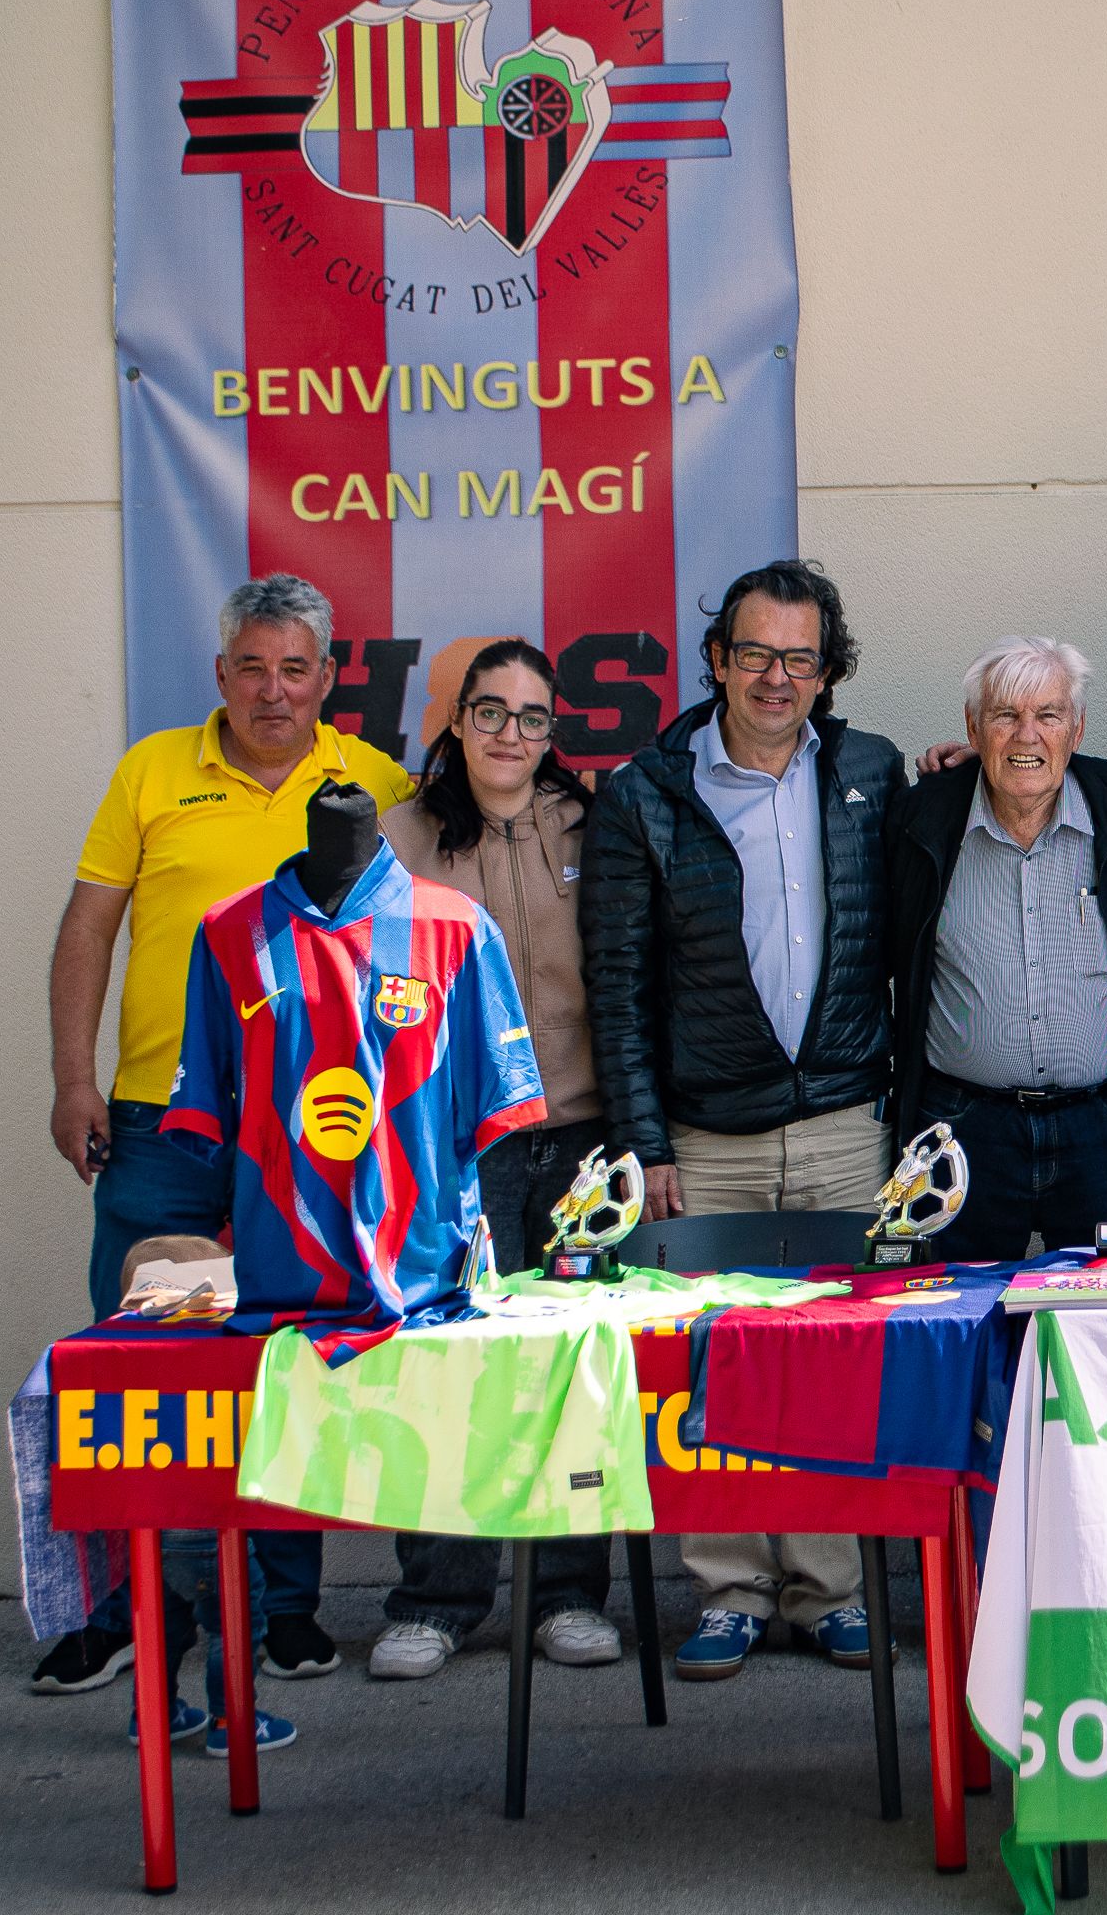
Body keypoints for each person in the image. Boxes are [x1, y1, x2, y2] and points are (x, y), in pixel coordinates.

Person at [43, 574, 410, 1734]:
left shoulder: (370, 784)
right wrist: (70, 1076)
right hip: (162, 1130)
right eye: (252, 666)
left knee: (285, 1370)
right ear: (221, 676)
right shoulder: (151, 772)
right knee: (150, 1376)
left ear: (328, 679)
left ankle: (285, 1610)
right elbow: (89, 923)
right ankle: (148, 1613)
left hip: (305, 1142)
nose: (273, 689)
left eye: (295, 668)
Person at [579, 559, 904, 1682]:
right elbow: (614, 982)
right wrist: (644, 1142)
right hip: (702, 1136)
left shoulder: (871, 772)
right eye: (755, 653)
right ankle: (725, 1587)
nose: (776, 676)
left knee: (830, 1363)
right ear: (716, 658)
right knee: (706, 1369)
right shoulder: (645, 792)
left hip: (839, 1121)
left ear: (828, 670)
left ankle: (827, 1587)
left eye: (800, 656)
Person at [366, 639, 623, 1681]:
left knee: (572, 1371)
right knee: (448, 1372)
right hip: (453, 1154)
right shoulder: (399, 839)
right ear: (455, 721)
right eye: (490, 711)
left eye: (531, 717)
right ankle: (439, 1596)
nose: (509, 734)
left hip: (578, 1139)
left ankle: (568, 1592)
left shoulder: (591, 826)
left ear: (552, 733)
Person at [887, 639, 1107, 1255]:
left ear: (1076, 728)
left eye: (1049, 715)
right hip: (960, 1127)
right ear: (974, 729)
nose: (1027, 736)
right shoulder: (920, 822)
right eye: (1005, 715)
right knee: (959, 1314)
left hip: (1106, 1127)